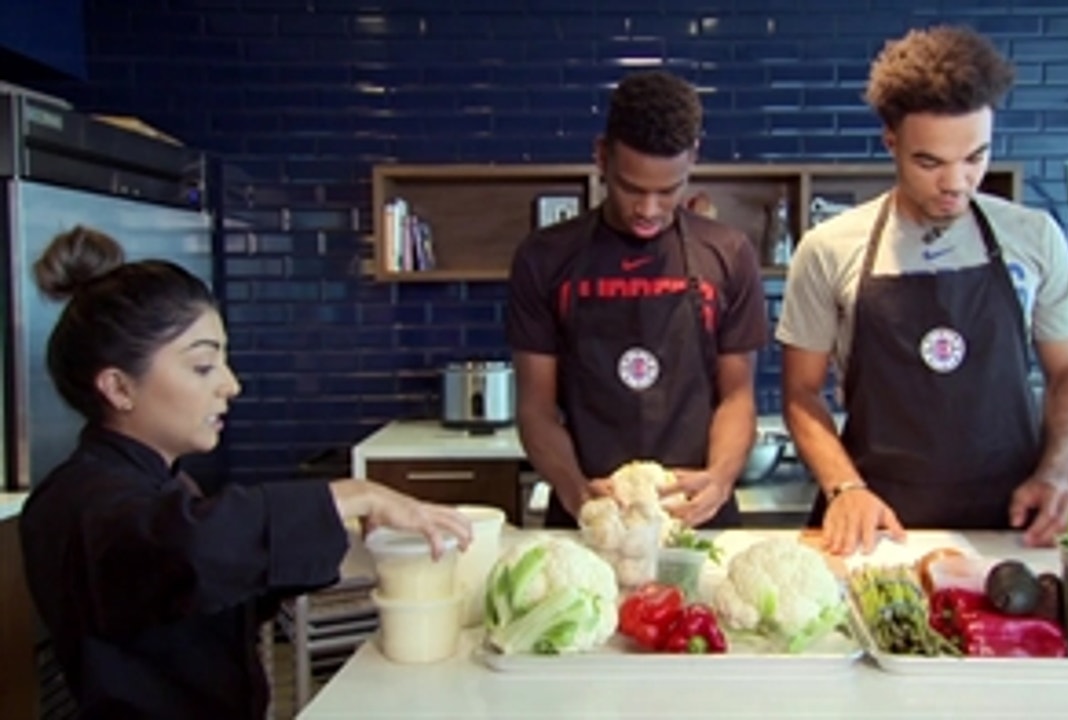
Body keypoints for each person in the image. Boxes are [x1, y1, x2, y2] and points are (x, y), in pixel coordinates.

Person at [19, 227, 473, 719]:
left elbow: (208, 588)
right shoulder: (81, 502)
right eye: (202, 366)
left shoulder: (157, 482)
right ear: (118, 387)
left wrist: (354, 549)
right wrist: (349, 495)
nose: (230, 385)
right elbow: (191, 549)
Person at [777, 26, 1068, 555]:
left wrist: (1059, 471)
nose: (956, 183)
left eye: (975, 158)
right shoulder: (829, 247)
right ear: (891, 142)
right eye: (931, 163)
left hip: (1012, 521)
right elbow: (801, 394)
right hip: (878, 523)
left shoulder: (1033, 238)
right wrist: (845, 488)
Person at [506, 70, 768, 529]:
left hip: (696, 519)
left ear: (692, 161)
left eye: (668, 190)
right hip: (586, 520)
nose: (648, 210)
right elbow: (536, 407)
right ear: (602, 157)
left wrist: (720, 478)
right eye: (632, 188)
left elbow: (737, 396)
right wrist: (575, 490)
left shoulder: (728, 254)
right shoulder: (544, 259)